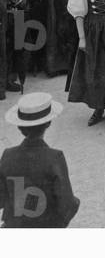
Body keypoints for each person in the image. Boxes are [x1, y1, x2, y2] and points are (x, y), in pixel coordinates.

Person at [0, 93, 80, 228]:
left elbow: (1, 199)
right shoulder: (55, 157)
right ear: (48, 123)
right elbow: (67, 205)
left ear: (20, 127)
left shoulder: (7, 155)